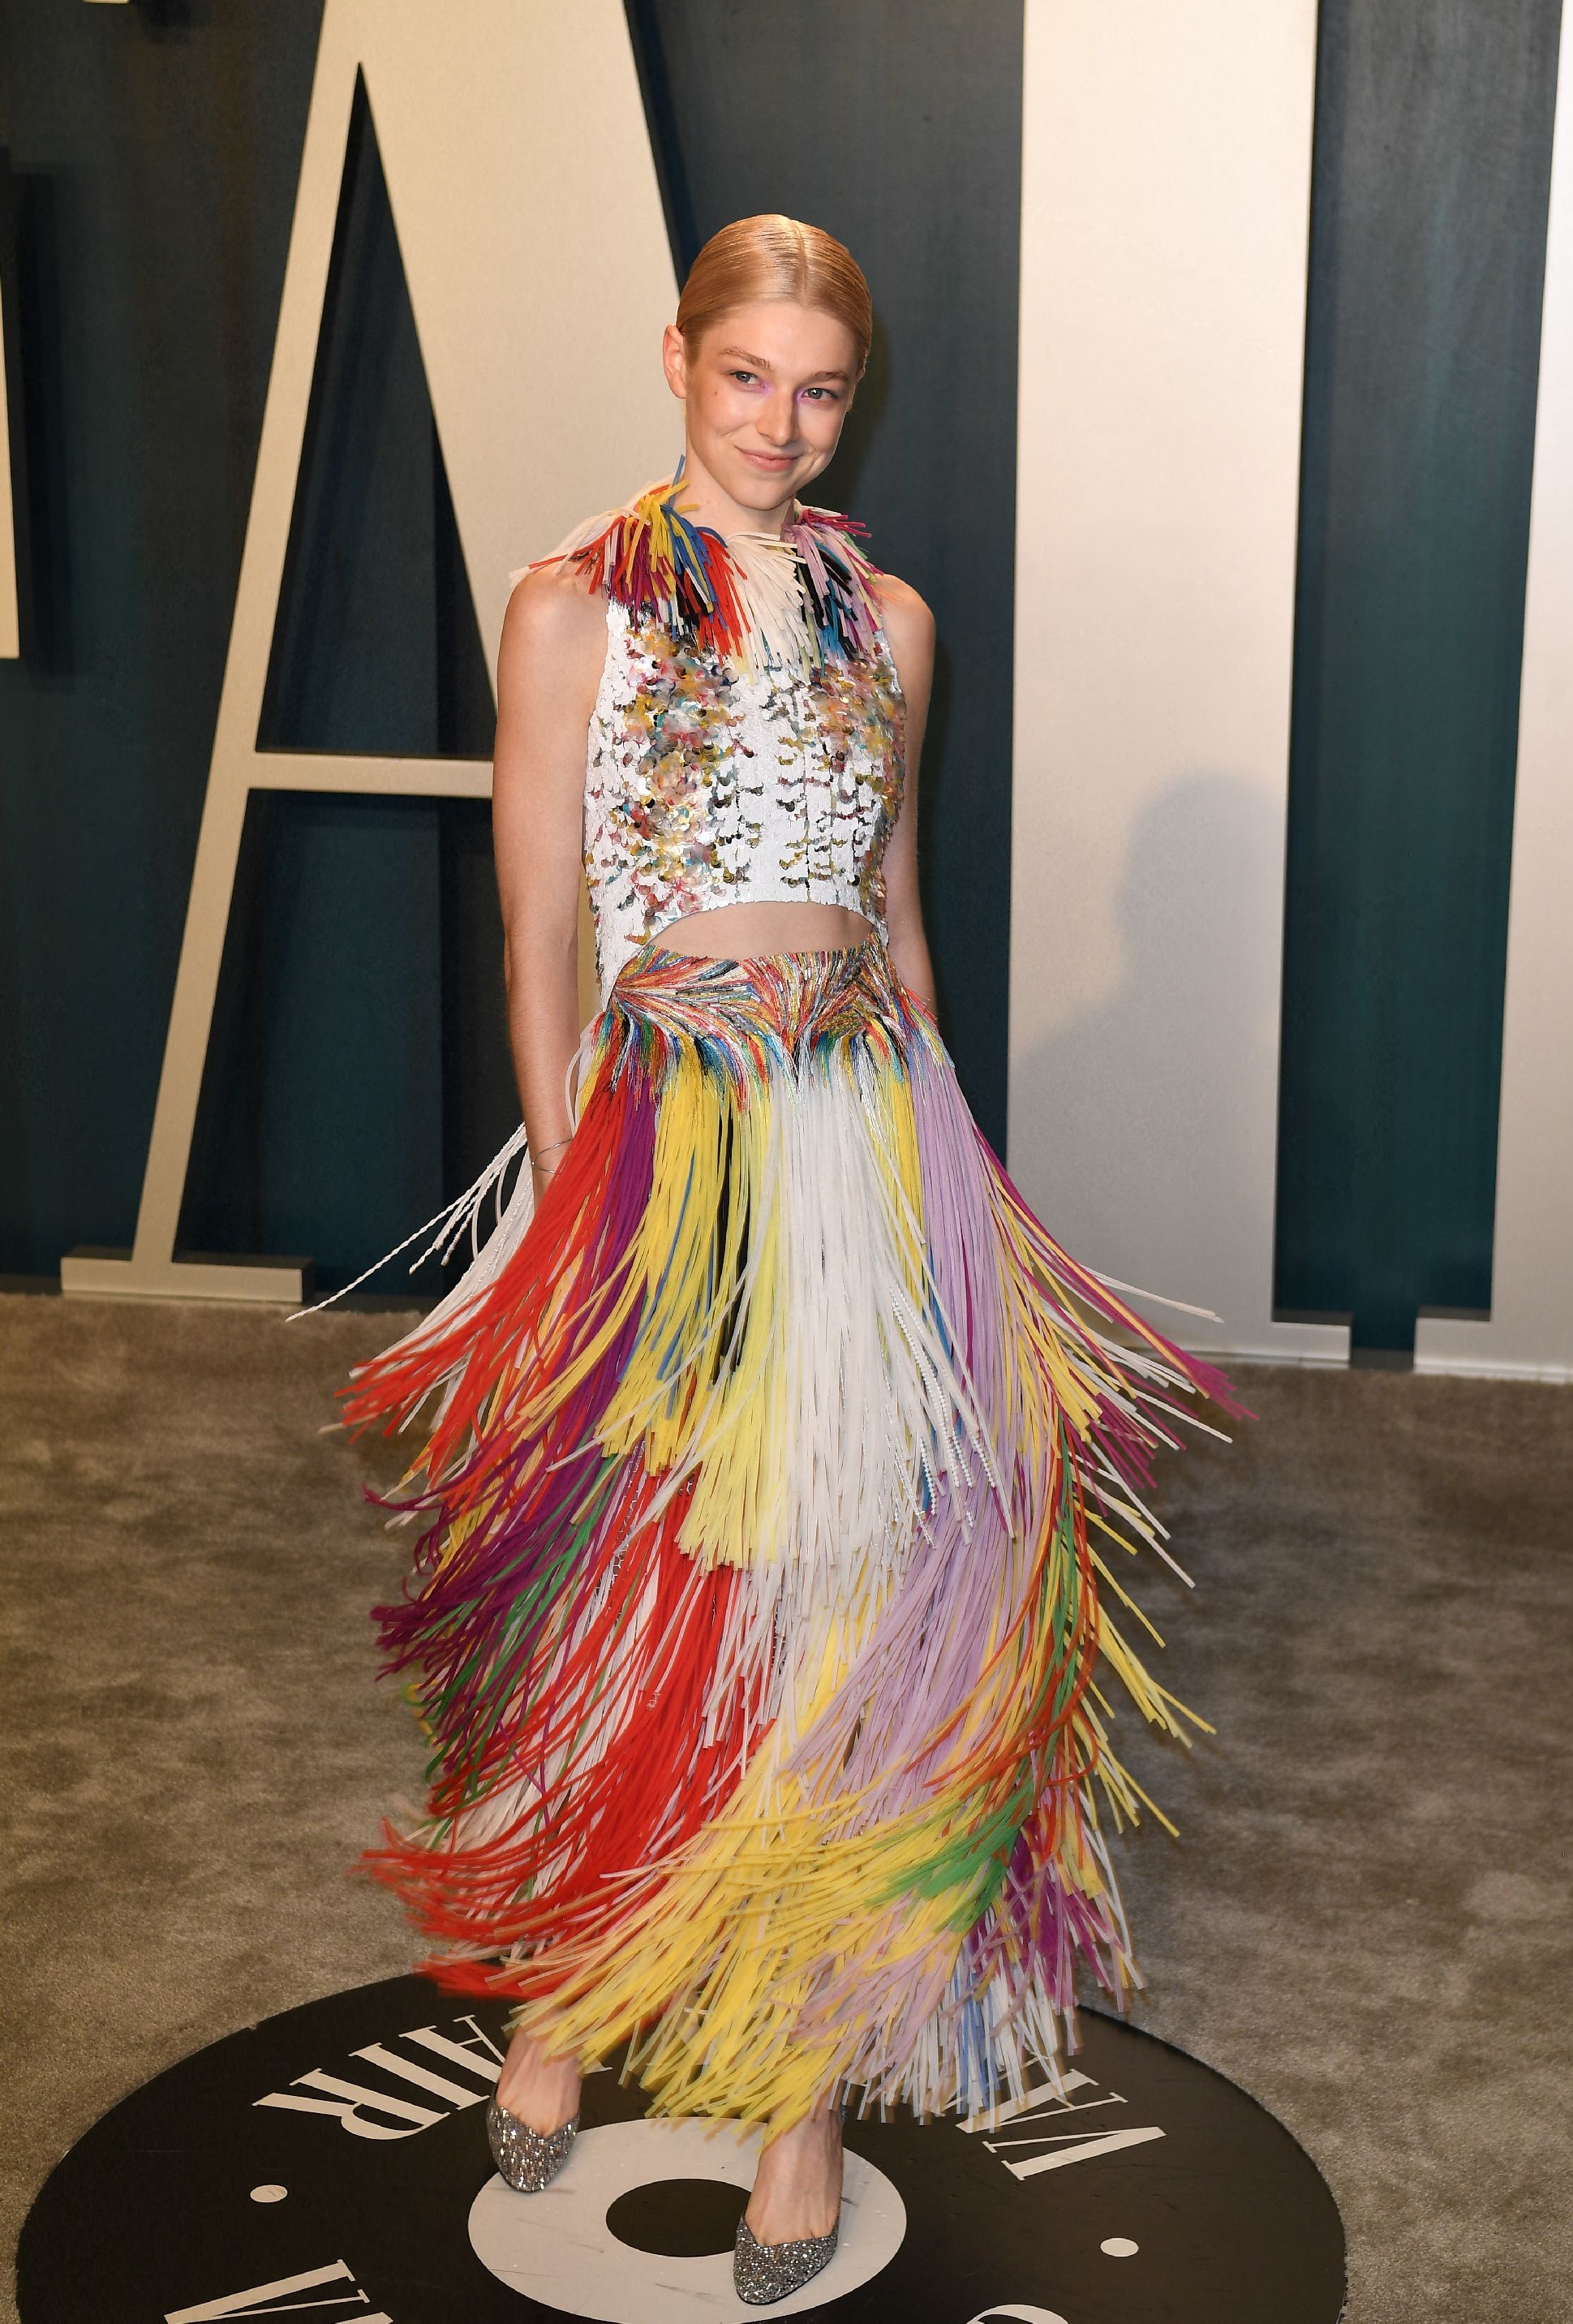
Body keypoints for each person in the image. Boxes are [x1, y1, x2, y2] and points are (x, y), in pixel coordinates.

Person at [339, 214, 1232, 2306]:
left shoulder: (888, 621)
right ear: (677, 359)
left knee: (855, 1596)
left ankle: (806, 2094)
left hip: (867, 1131)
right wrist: (577, 1215)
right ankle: (575, 1984)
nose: (781, 422)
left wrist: (956, 1186)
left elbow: (899, 921)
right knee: (639, 1585)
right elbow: (536, 935)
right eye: (747, 376)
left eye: (820, 390)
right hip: (663, 1139)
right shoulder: (571, 606)